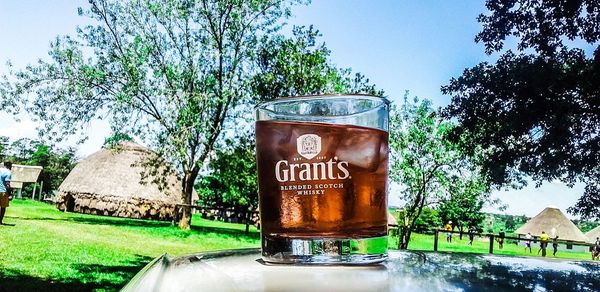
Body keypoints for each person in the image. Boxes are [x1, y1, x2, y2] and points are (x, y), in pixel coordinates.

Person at [0, 161, 13, 225]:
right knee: (3, 207)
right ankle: (0, 221)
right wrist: (10, 194)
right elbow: (7, 184)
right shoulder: (8, 172)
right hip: (3, 192)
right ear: (9, 165)